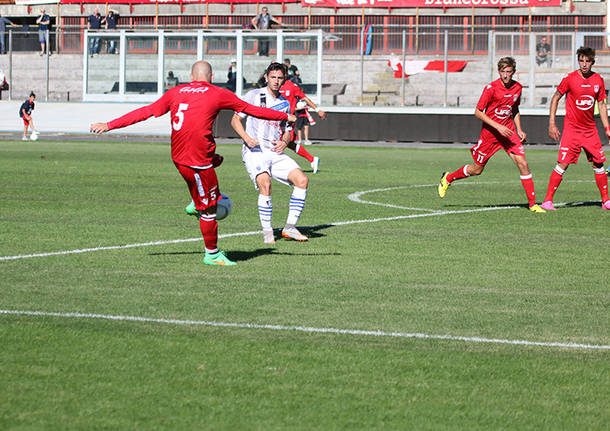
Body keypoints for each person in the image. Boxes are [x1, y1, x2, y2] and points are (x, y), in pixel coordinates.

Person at [90, 61, 296, 266]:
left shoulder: (176, 91)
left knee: (217, 160)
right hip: (197, 161)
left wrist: (109, 124)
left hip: (180, 156)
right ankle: (212, 254)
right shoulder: (217, 93)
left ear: (191, 76)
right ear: (212, 76)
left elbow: (146, 111)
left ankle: (197, 201)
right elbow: (253, 110)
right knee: (209, 210)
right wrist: (284, 115)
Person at [438, 57, 545, 213]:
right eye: (503, 72)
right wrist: (498, 126)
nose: (506, 75)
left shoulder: (518, 88)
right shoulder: (491, 88)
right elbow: (478, 112)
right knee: (477, 170)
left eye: (509, 72)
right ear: (499, 72)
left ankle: (533, 204)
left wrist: (519, 129)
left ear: (513, 72)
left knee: (523, 164)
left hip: (509, 133)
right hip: (490, 135)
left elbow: (514, 109)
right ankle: (448, 178)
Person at [233, 62, 310, 244]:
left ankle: (290, 228)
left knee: (302, 180)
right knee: (265, 184)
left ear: (284, 80)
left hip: (274, 152)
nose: (276, 81)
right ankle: (268, 233)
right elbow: (235, 120)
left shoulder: (284, 103)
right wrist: (246, 138)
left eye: (280, 78)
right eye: (273, 77)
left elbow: (288, 130)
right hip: (255, 151)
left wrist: (284, 141)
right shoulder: (253, 95)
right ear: (266, 77)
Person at [541, 47, 610, 211]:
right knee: (563, 164)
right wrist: (552, 123)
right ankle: (547, 201)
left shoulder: (598, 80)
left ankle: (606, 201)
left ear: (592, 62)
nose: (584, 64)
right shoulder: (570, 79)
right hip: (572, 130)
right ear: (578, 61)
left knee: (599, 164)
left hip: (590, 130)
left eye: (587, 61)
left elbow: (601, 104)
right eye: (581, 60)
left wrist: (607, 127)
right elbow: (555, 98)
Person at [279, 77, 326, 173]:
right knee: (289, 143)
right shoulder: (273, 86)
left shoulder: (292, 87)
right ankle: (312, 159)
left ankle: (283, 167)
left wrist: (317, 110)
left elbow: (305, 98)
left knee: (280, 141)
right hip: (275, 119)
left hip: (288, 120)